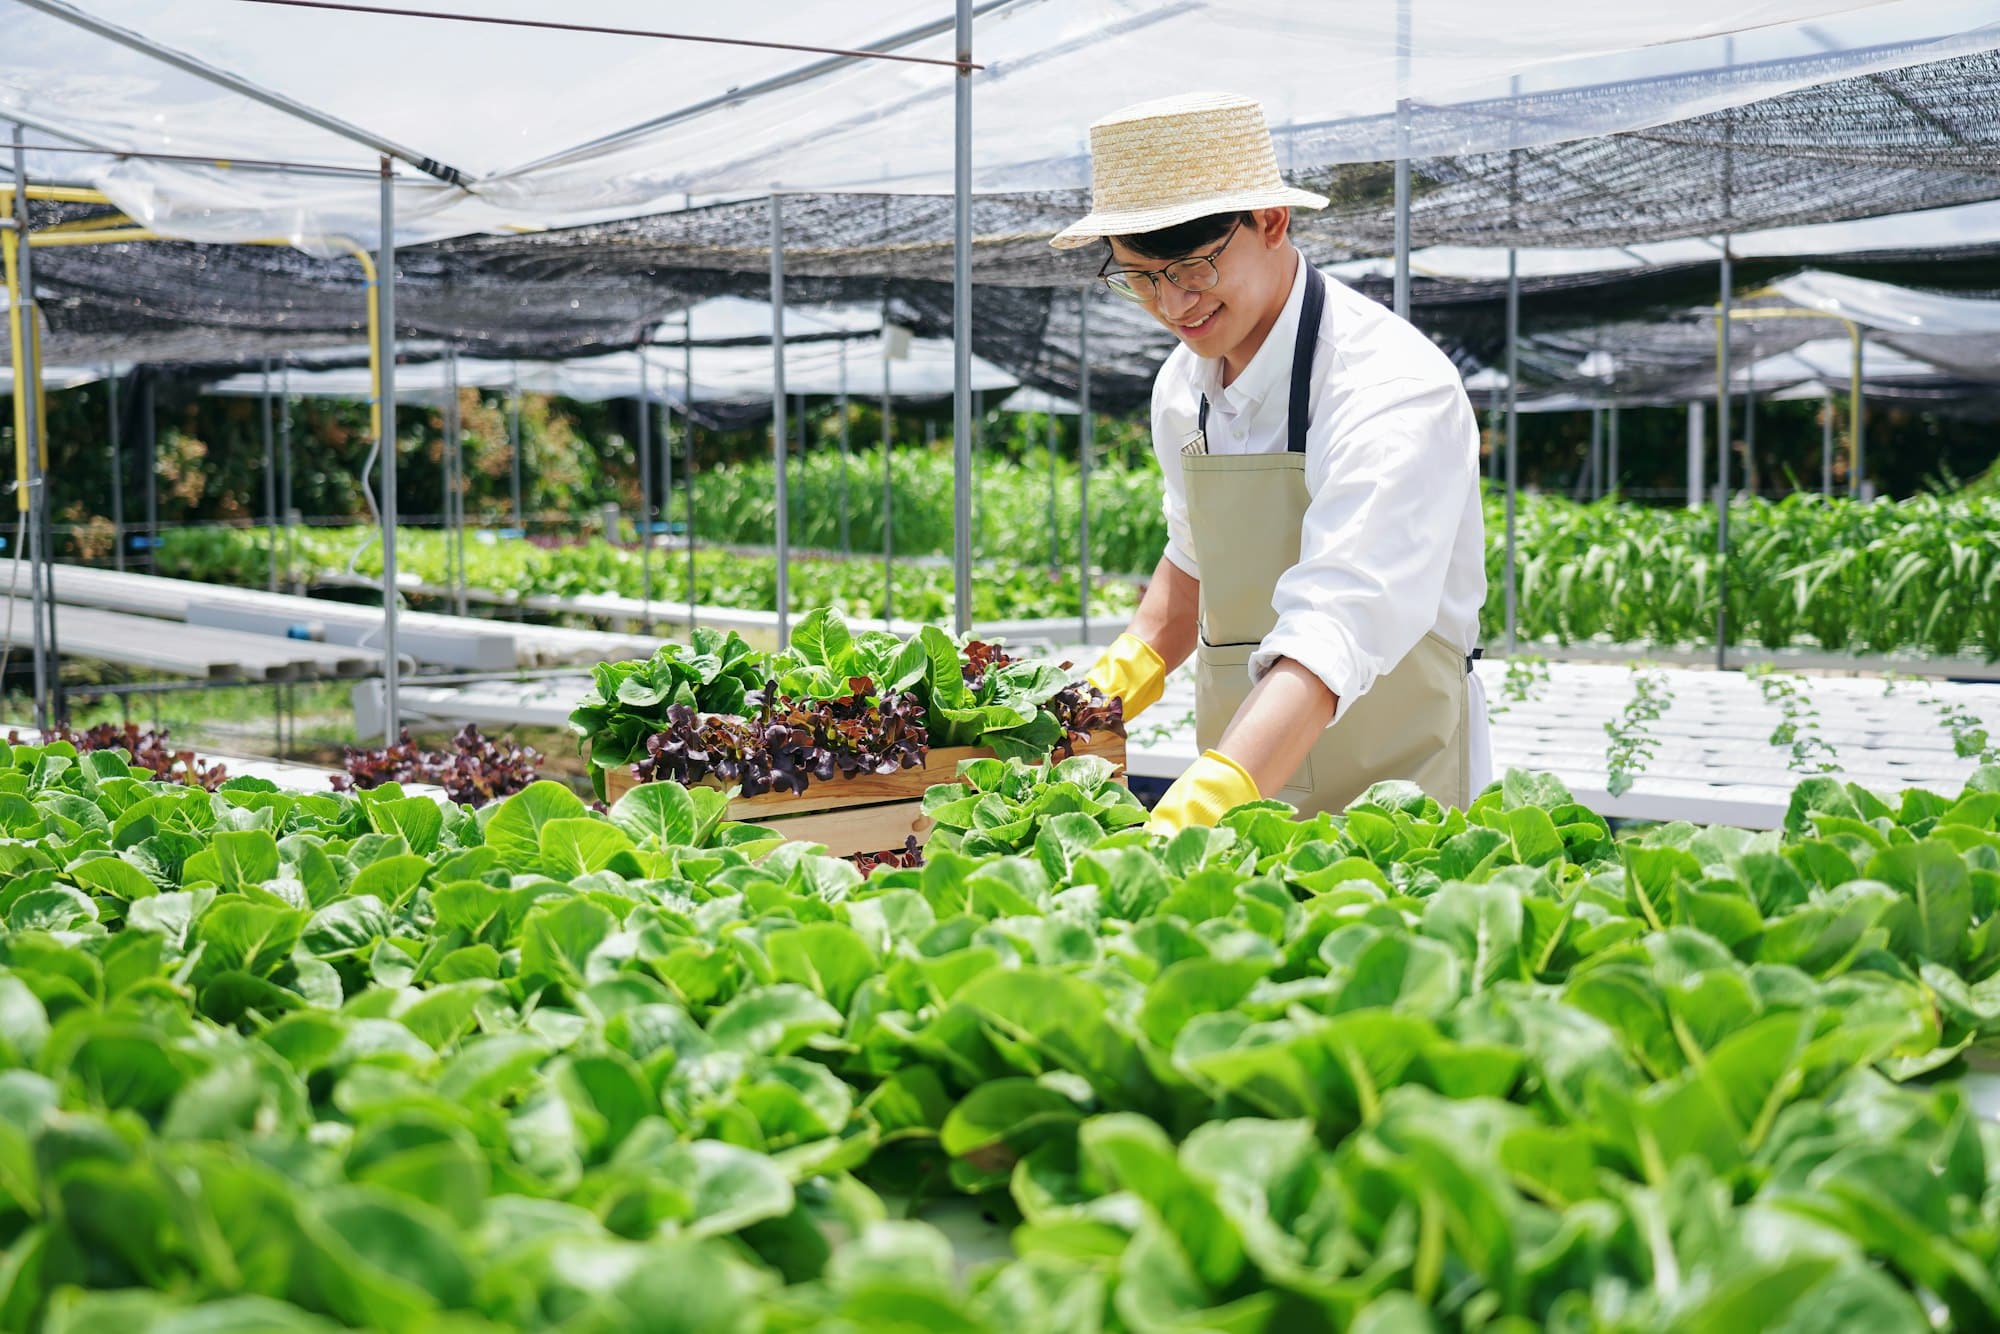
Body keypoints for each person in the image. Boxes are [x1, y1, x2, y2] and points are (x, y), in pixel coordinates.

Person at [1060, 92, 1490, 833]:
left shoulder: (1386, 386)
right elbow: (1191, 565)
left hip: (1394, 789)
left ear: (1270, 220)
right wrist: (1089, 703)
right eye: (1139, 276)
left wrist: (1203, 802)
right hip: (1245, 770)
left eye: (1192, 268)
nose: (1171, 304)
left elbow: (1337, 628)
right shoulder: (1182, 389)